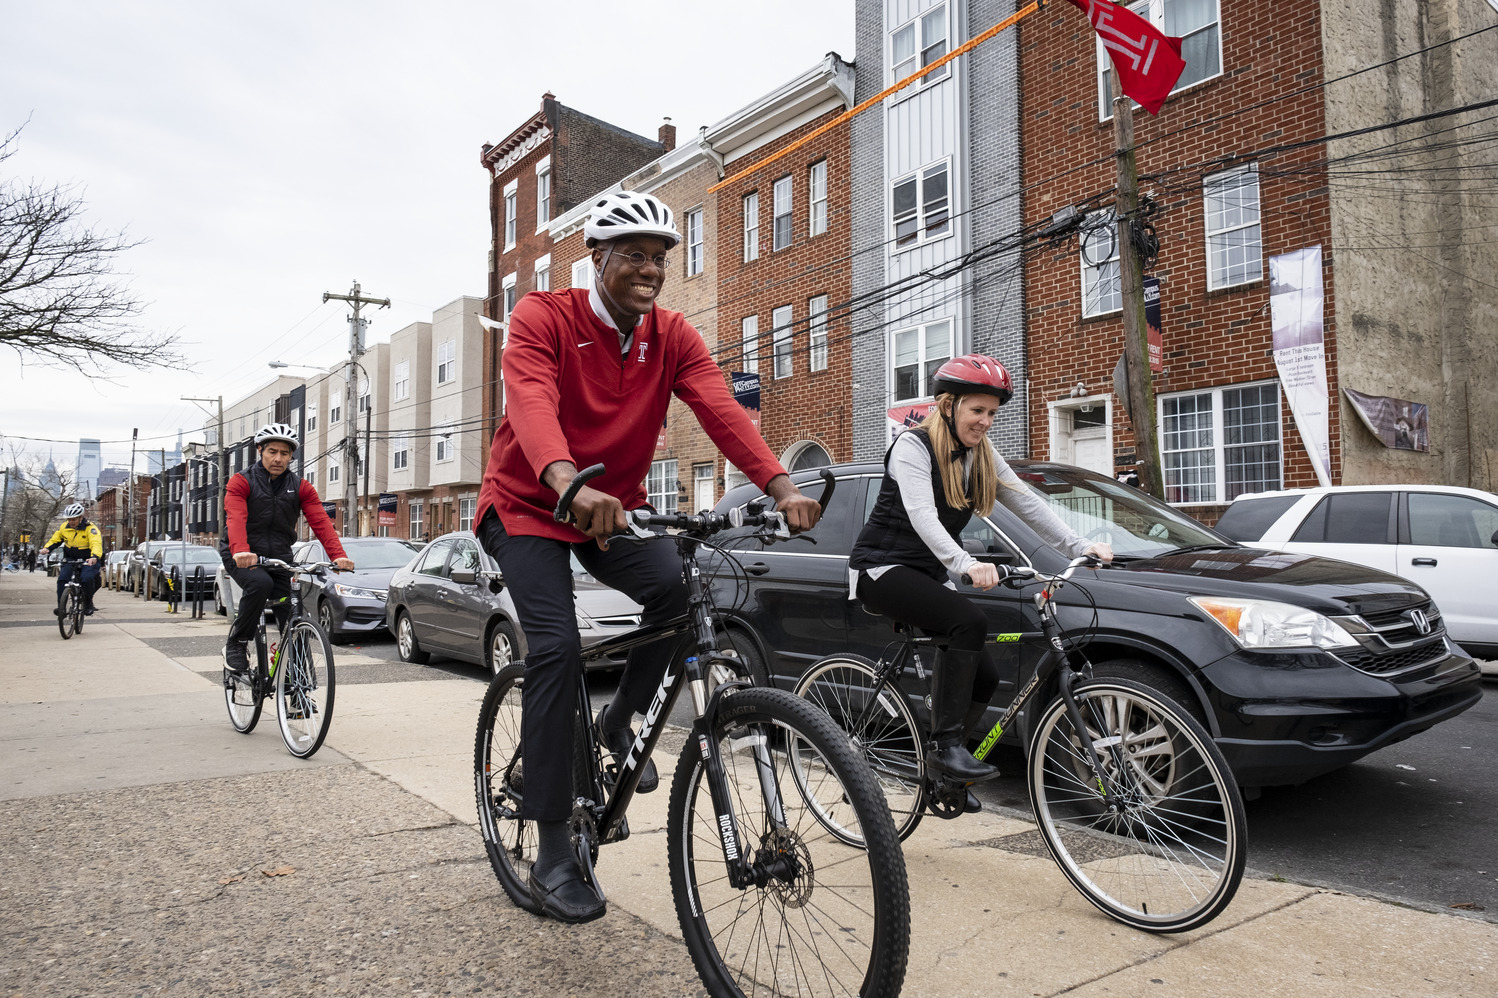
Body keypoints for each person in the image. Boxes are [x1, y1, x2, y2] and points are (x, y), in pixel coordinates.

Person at [474, 190, 823, 924]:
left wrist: (782, 485)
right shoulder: (546, 317)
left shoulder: (672, 335)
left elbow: (722, 410)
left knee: (675, 588)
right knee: (558, 646)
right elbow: (531, 402)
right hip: (530, 505)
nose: (651, 269)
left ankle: (617, 724)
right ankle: (551, 852)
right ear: (595, 258)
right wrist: (566, 484)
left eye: (660, 257)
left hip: (613, 513)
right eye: (633, 254)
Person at [848, 354, 1113, 807]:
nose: (986, 421)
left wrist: (1078, 545)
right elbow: (922, 516)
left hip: (928, 572)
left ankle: (941, 774)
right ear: (948, 406)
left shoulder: (981, 455)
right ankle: (949, 751)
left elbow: (1025, 502)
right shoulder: (913, 446)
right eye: (978, 410)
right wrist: (965, 563)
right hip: (882, 568)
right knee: (968, 621)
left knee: (986, 677)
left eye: (992, 413)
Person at [220, 423, 353, 674]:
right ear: (260, 450)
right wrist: (240, 550)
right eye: (272, 451)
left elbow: (321, 522)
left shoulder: (301, 487)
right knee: (260, 584)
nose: (278, 458)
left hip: (280, 555)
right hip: (241, 553)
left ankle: (300, 680)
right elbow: (235, 518)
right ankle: (237, 643)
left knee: (293, 612)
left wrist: (339, 556)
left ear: (292, 456)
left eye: (284, 453)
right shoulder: (241, 482)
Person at [44, 503, 103, 615]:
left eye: (74, 519)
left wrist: (94, 557)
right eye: (69, 519)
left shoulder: (91, 529)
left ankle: (88, 602)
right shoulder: (64, 527)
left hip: (87, 559)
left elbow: (96, 543)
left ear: (81, 518)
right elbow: (56, 539)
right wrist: (47, 548)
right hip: (70, 558)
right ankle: (61, 607)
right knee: (62, 580)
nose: (71, 522)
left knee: (87, 579)